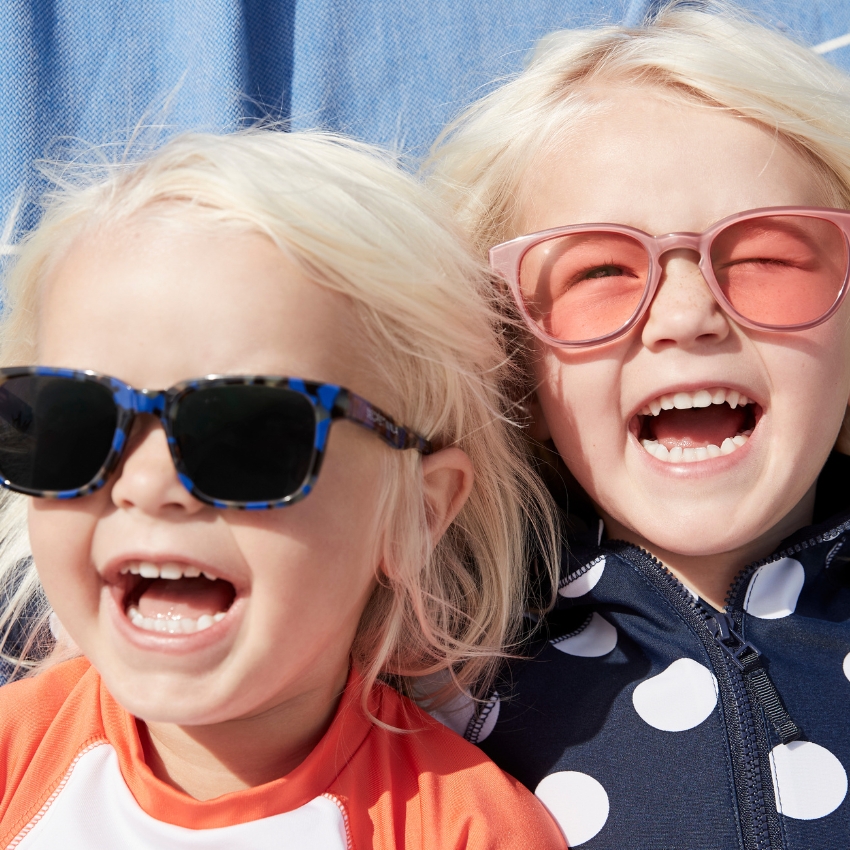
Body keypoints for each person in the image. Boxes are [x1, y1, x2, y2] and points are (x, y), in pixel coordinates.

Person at [0, 130, 566, 849]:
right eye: (71, 421)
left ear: (417, 515)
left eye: (248, 431)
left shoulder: (462, 830)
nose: (145, 485)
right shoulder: (14, 760)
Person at [428, 2, 850, 847]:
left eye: (768, 258)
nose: (686, 316)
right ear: (516, 370)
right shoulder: (431, 659)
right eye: (600, 272)